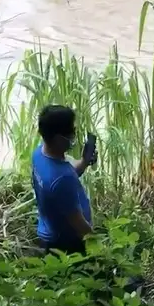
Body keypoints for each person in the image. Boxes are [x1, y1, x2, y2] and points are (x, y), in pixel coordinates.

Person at [32, 105, 96, 255]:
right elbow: (79, 225)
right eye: (72, 132)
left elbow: (59, 184)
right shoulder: (62, 179)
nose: (74, 135)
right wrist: (101, 248)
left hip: (48, 234)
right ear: (59, 138)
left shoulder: (39, 153)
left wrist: (84, 161)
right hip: (66, 244)